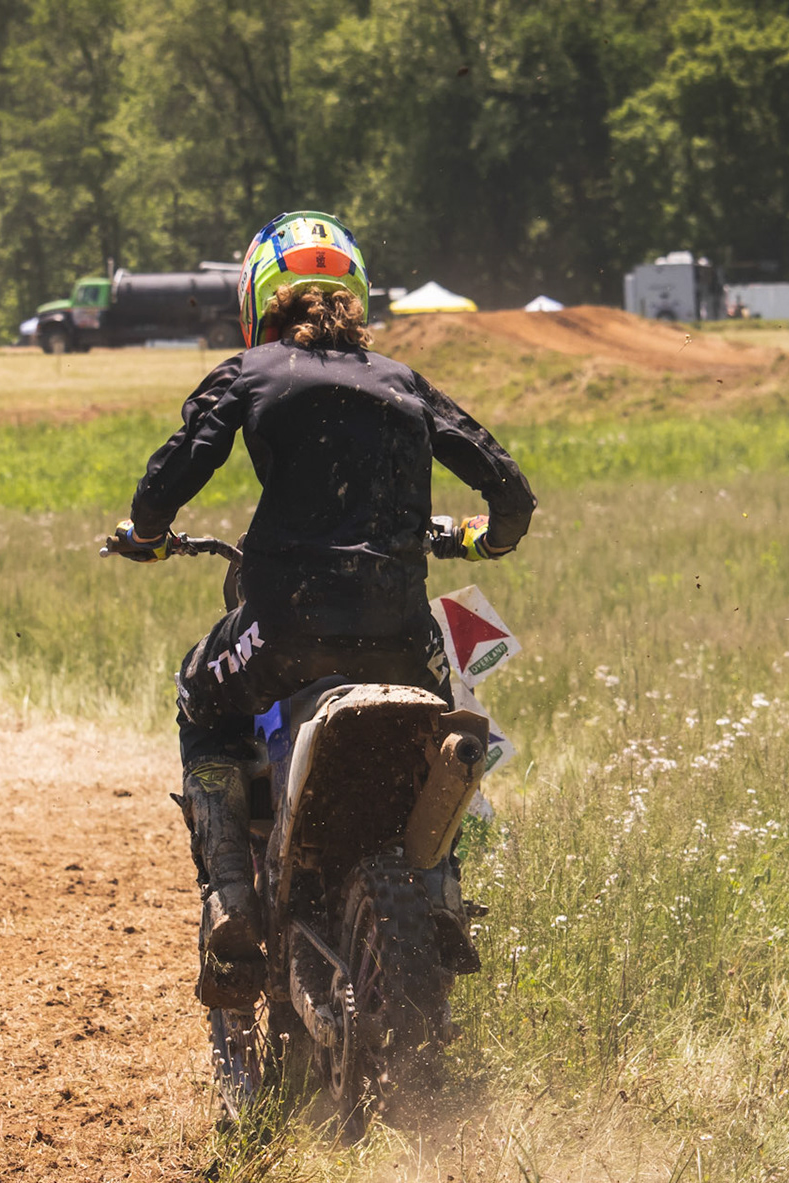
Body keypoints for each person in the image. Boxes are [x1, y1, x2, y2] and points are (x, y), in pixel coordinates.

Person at [104, 211, 536, 1006]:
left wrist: (148, 535)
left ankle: (230, 896)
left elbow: (164, 483)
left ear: (256, 300)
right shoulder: (403, 381)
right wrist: (488, 539)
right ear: (357, 296)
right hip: (399, 637)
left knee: (199, 695)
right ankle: (440, 891)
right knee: (447, 730)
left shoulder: (249, 371)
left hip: (283, 631)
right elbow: (510, 492)